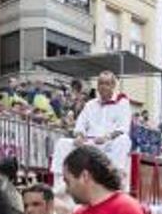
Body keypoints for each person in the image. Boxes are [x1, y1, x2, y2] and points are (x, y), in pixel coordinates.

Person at [48, 71, 133, 199]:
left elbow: (123, 128)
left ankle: (115, 181)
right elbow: (81, 124)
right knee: (62, 143)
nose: (103, 87)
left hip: (109, 143)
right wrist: (79, 135)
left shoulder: (122, 102)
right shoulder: (90, 104)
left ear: (113, 85)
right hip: (90, 143)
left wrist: (107, 137)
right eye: (100, 83)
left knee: (124, 140)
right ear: (97, 86)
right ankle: (59, 185)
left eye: (107, 84)